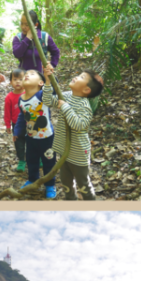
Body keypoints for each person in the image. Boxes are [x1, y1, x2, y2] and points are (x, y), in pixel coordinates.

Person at [42, 64, 103, 200]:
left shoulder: (84, 106)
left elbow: (79, 125)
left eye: (81, 77)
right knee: (65, 180)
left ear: (87, 89)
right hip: (65, 150)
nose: (76, 76)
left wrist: (65, 107)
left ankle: (90, 202)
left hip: (78, 153)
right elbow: (47, 100)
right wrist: (47, 81)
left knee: (83, 183)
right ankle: (70, 200)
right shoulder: (67, 95)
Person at [14, 69, 56, 198]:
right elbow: (22, 116)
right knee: (32, 161)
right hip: (31, 138)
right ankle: (32, 179)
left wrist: (49, 78)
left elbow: (53, 90)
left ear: (40, 82)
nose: (27, 75)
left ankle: (50, 185)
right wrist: (17, 131)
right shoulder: (21, 99)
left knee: (49, 162)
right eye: (26, 74)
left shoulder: (42, 95)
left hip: (47, 138)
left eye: (32, 74)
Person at [3, 68, 26, 172]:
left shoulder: (29, 93)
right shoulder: (9, 97)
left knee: (33, 142)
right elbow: (7, 113)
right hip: (17, 124)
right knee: (19, 143)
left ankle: (37, 158)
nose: (18, 82)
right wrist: (8, 125)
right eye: (15, 79)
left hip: (30, 123)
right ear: (11, 82)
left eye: (21, 79)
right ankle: (22, 160)